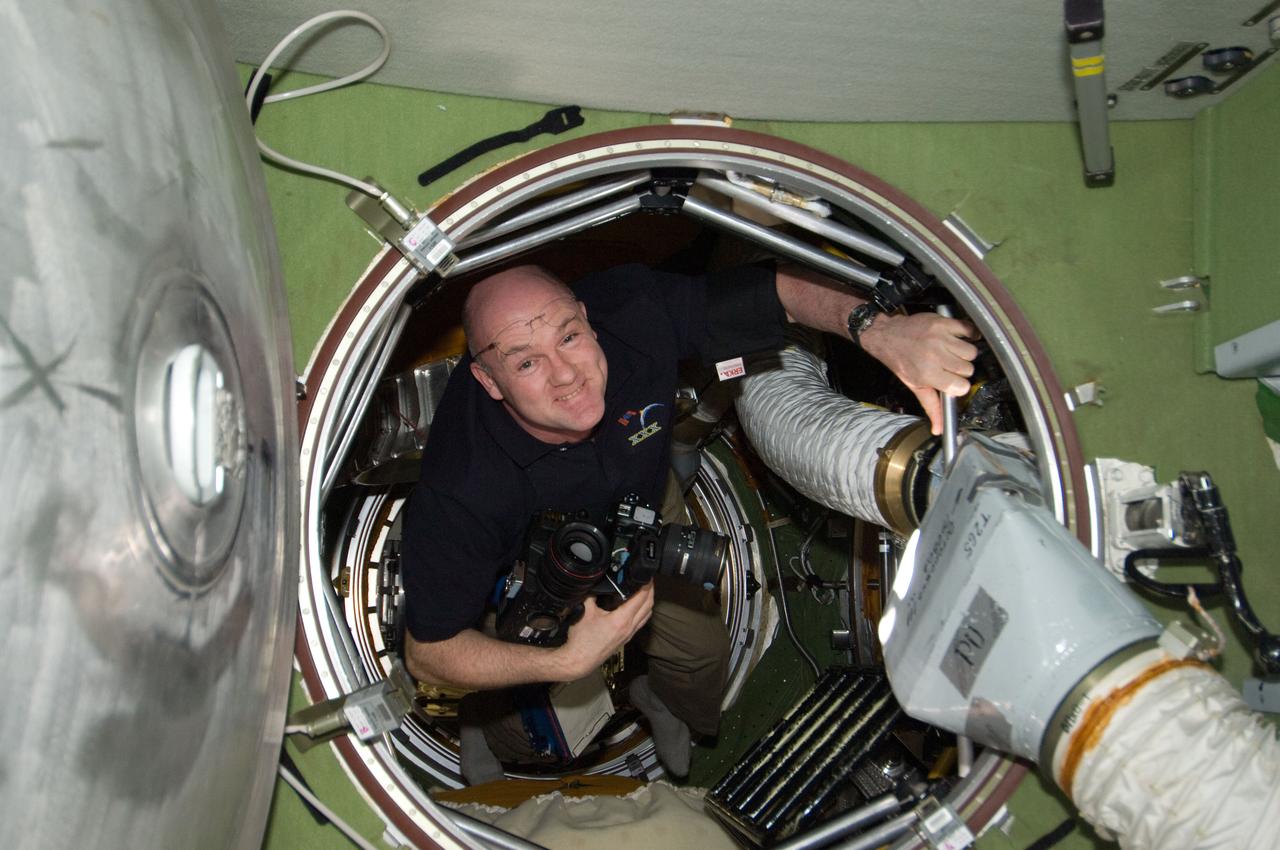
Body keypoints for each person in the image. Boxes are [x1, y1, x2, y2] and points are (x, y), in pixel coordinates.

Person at [398, 261, 977, 783]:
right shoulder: (465, 486)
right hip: (527, 542)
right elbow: (430, 650)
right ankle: (482, 723)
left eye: (568, 337)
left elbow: (775, 292)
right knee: (515, 668)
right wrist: (565, 660)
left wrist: (877, 329)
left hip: (643, 502)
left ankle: (657, 700)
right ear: (490, 381)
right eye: (526, 362)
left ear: (588, 321)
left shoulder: (632, 309)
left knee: (700, 657)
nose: (565, 375)